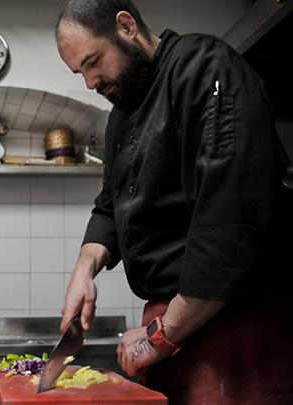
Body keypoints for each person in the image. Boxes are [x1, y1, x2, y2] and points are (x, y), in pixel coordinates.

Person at [55, 1, 293, 403]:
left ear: (126, 26)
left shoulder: (205, 67)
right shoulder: (122, 113)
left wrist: (162, 335)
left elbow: (230, 218)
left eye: (94, 61)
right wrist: (85, 268)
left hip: (236, 321)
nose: (91, 82)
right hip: (173, 319)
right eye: (81, 72)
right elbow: (111, 204)